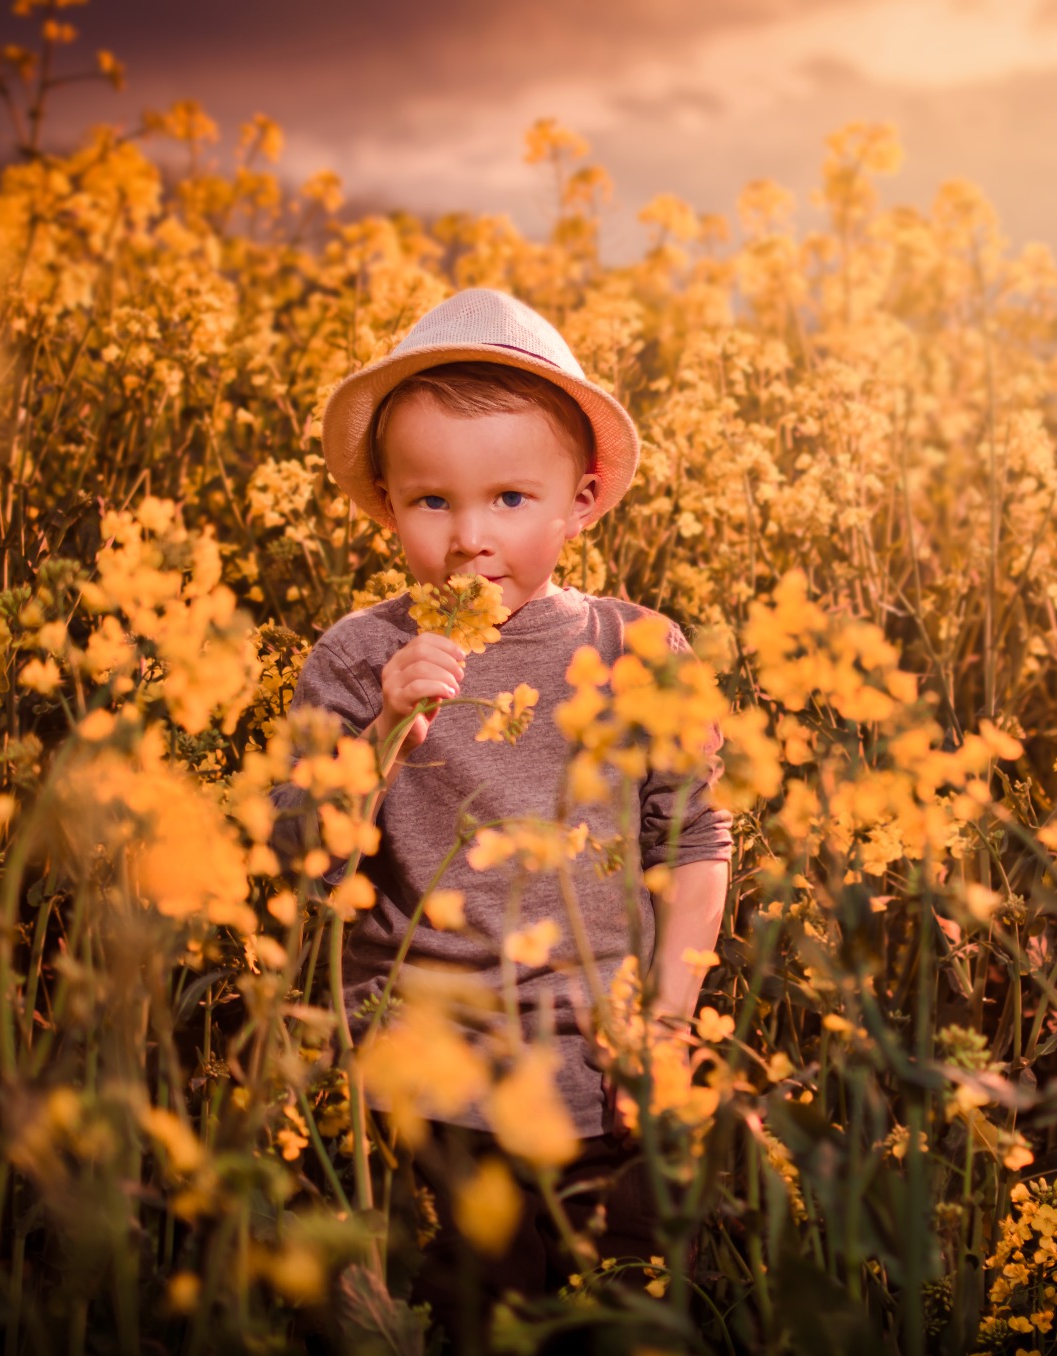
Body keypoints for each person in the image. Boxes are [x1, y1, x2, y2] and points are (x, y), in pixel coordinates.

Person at [269, 288, 733, 1331]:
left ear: (582, 499)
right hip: (429, 1094)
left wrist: (665, 1026)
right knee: (468, 1321)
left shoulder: (636, 647)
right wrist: (384, 729)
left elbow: (697, 840)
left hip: (607, 1079)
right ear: (385, 502)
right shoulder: (358, 657)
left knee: (631, 1319)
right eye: (432, 501)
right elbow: (300, 858)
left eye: (511, 499)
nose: (469, 538)